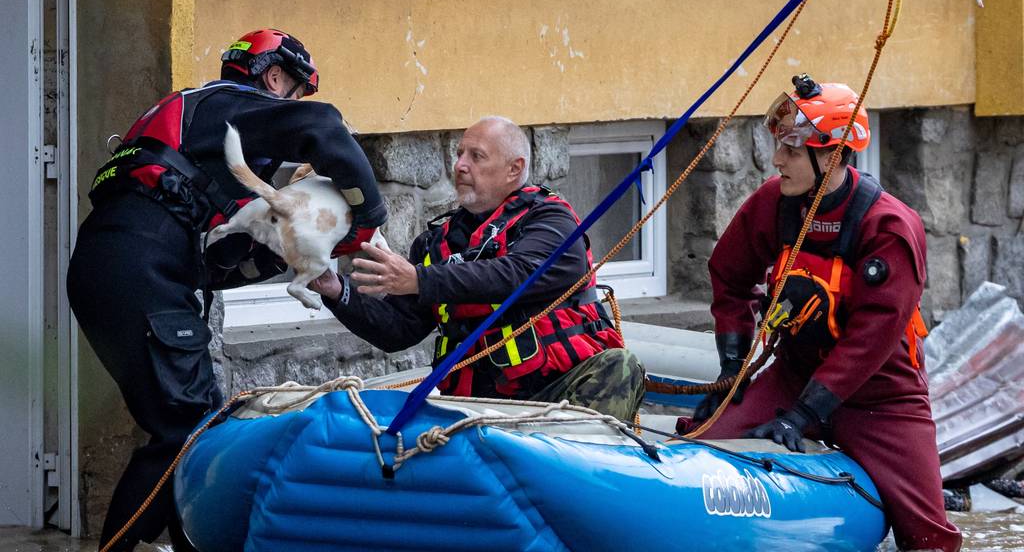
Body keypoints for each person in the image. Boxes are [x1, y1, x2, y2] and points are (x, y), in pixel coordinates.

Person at [67, 29, 386, 551]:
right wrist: (370, 213)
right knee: (184, 428)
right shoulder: (231, 104)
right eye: (293, 91)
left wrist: (291, 254)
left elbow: (218, 262)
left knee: (193, 421)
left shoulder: (200, 131)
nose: (293, 104)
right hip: (139, 264)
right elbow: (323, 124)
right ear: (276, 76)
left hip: (119, 264)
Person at [683, 75, 961, 552]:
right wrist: (732, 370)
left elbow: (870, 341)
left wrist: (803, 415)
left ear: (832, 153)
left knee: (928, 534)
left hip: (881, 396)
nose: (776, 160)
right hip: (791, 374)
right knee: (700, 448)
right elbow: (727, 274)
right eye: (778, 146)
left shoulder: (889, 228)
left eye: (791, 149)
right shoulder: (775, 202)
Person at [309, 116, 645, 420]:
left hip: (555, 396)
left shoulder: (552, 220)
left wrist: (418, 279)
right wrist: (337, 291)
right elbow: (399, 330)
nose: (460, 165)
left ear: (514, 169)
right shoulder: (435, 242)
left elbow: (520, 273)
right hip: (475, 408)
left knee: (620, 366)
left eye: (476, 156)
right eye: (458, 154)